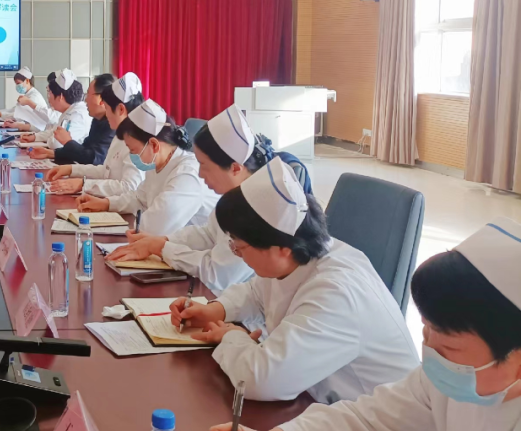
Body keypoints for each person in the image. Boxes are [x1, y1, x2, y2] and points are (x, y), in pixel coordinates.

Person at [209, 217, 521, 431]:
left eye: (450, 348)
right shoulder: (450, 380)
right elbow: (370, 422)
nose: (432, 357)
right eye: (426, 332)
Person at [173, 157, 418, 402]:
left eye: (239, 247)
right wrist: (216, 310)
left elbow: (260, 381)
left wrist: (231, 337)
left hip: (376, 418)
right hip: (317, 399)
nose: (237, 253)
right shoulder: (295, 251)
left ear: (280, 249)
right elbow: (257, 292)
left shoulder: (336, 292)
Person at [107, 104, 273, 294]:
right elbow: (207, 233)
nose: (200, 174)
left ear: (235, 168)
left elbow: (216, 274)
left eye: (205, 165)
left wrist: (162, 247)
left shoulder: (257, 210)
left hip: (230, 301)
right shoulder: (234, 197)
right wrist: (164, 241)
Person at [77, 99, 215, 237]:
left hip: (189, 248)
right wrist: (106, 203)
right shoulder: (157, 163)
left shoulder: (188, 175)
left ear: (154, 145)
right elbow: (139, 198)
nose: (132, 156)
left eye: (133, 150)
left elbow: (156, 226)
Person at [42, 72, 147, 197]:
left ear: (120, 109)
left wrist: (84, 185)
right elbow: (105, 170)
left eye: (107, 108)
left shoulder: (137, 139)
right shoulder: (120, 134)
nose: (106, 114)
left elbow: (129, 187)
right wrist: (71, 169)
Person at [50, 74, 116, 166]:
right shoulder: (98, 120)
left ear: (101, 98)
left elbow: (94, 159)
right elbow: (86, 148)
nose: (85, 100)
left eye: (88, 94)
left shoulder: (112, 125)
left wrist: (67, 141)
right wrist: (54, 153)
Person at [19, 69, 91, 150]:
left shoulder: (77, 115)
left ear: (60, 97)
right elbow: (53, 131)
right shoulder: (68, 112)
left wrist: (49, 139)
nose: (48, 98)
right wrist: (35, 137)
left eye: (50, 93)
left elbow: (56, 144)